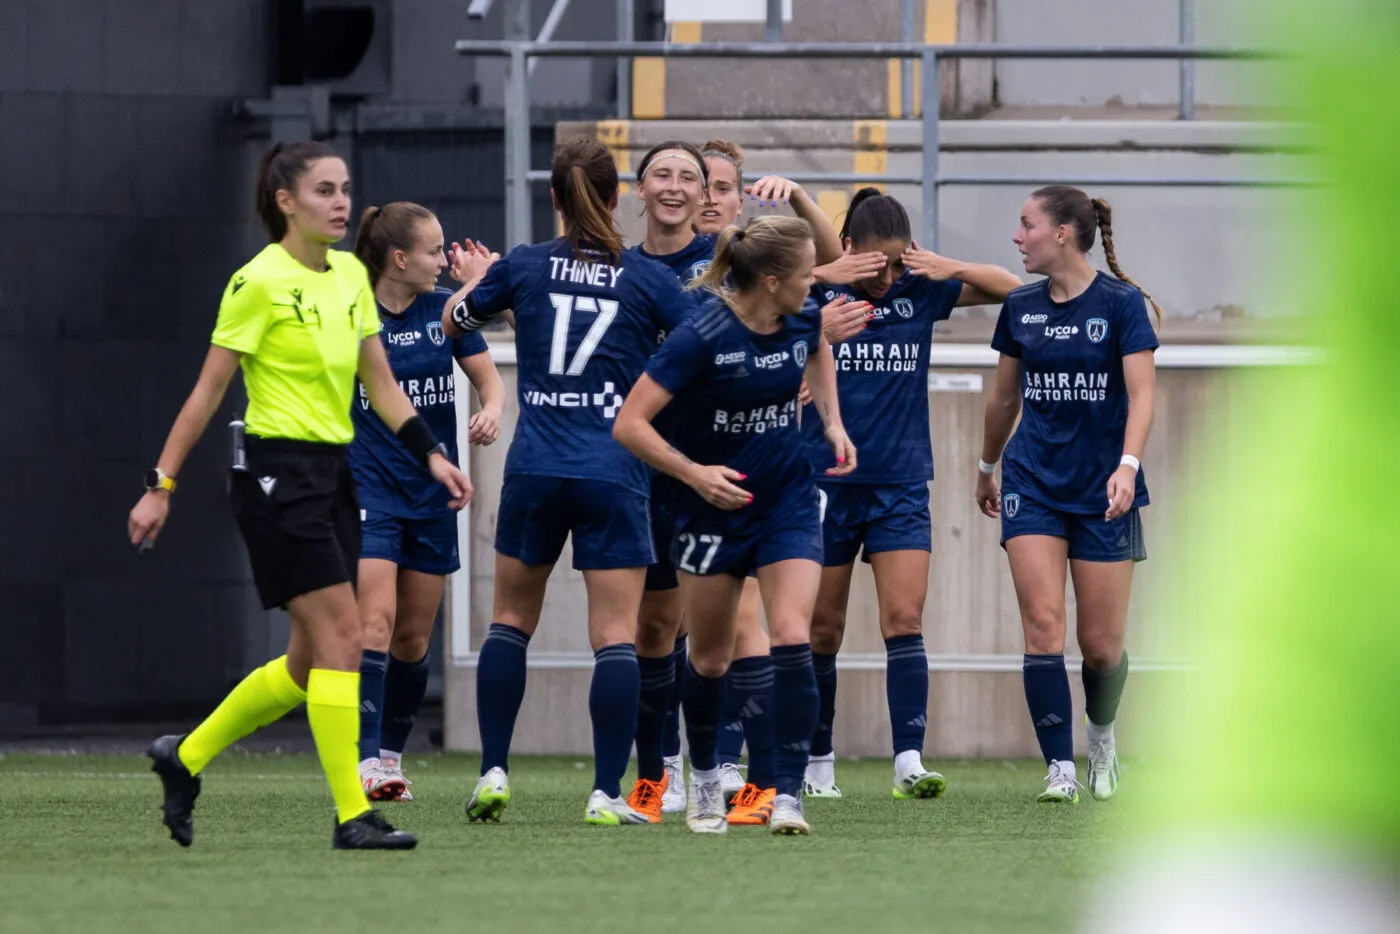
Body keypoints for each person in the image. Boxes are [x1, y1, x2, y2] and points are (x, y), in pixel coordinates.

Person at [128, 142, 470, 850]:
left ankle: (183, 757)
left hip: (333, 475)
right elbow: (207, 391)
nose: (341, 202)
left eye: (345, 189)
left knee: (308, 664)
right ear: (286, 202)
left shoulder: (349, 274)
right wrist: (160, 485)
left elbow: (379, 383)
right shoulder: (256, 282)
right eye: (323, 190)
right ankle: (354, 816)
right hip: (276, 479)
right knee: (346, 639)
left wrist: (433, 455)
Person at [442, 137, 697, 826]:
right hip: (614, 470)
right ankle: (606, 792)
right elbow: (702, 348)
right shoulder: (647, 279)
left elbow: (453, 321)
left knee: (510, 623)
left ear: (552, 198)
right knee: (616, 636)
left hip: (535, 466)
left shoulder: (525, 265)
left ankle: (494, 769)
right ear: (619, 197)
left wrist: (478, 281)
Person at [624, 139, 846, 825]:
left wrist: (834, 425)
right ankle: (706, 777)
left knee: (791, 636)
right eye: (808, 275)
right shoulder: (700, 335)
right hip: (710, 508)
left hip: (785, 501)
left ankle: (786, 795)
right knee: (712, 658)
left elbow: (819, 353)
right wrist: (695, 473)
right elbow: (630, 425)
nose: (818, 284)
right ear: (773, 282)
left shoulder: (800, 317)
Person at [802, 189, 1023, 799]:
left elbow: (1012, 288)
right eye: (878, 263)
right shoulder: (819, 297)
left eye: (900, 262)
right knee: (822, 629)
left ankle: (908, 761)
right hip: (825, 481)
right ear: (848, 251)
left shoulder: (919, 293)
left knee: (904, 620)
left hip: (900, 483)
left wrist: (942, 267)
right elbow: (737, 300)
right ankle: (819, 762)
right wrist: (823, 278)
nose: (890, 275)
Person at [974, 185, 1160, 803]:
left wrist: (1128, 466)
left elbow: (1142, 397)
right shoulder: (1020, 307)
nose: (1016, 236)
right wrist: (985, 466)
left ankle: (1101, 737)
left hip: (1105, 488)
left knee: (1101, 647)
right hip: (1032, 481)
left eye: (1025, 224)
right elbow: (1004, 399)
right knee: (1044, 627)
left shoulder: (1122, 304)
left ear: (1061, 234)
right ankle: (1058, 768)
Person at [349, 202, 505, 801]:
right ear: (399, 258)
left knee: (413, 638)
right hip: (370, 488)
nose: (444, 260)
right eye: (435, 251)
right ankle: (365, 762)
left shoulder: (444, 315)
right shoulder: (355, 316)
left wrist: (490, 410)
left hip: (435, 493)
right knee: (376, 623)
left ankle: (390, 757)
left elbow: (488, 382)